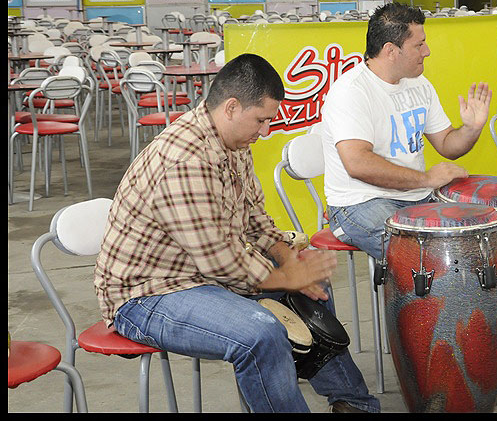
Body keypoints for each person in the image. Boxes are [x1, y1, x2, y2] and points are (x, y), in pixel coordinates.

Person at [94, 54, 380, 413]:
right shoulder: (185, 160)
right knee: (260, 334)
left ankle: (353, 404)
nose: (266, 131)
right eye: (261, 120)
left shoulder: (233, 142)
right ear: (231, 107)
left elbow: (254, 218)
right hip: (148, 294)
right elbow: (219, 261)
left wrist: (288, 259)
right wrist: (286, 277)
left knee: (313, 289)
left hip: (200, 275)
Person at [319, 3, 497, 378]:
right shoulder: (351, 92)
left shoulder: (418, 85)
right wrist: (425, 180)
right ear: (391, 50)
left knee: (483, 249)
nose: (427, 51)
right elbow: (357, 163)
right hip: (358, 204)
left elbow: (448, 146)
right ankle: (446, 364)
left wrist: (471, 128)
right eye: (419, 44)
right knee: (437, 264)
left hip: (415, 199)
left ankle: (484, 352)